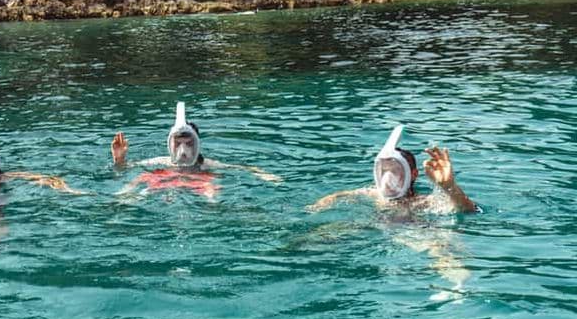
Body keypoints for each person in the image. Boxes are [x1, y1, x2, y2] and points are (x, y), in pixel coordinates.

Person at [111, 102, 282, 199]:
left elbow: (242, 168)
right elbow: (124, 169)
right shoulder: (163, 162)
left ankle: (212, 209)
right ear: (170, 144)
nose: (183, 149)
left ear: (198, 144)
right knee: (140, 181)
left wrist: (264, 174)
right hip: (167, 181)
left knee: (212, 193)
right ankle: (119, 202)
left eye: (189, 143)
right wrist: (119, 160)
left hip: (198, 181)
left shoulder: (207, 164)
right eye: (178, 143)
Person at [307, 125, 477, 213]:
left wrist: (449, 186)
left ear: (413, 175)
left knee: (439, 247)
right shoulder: (374, 194)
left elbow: (468, 210)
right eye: (384, 170)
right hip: (374, 227)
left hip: (414, 231)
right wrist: (323, 203)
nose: (388, 177)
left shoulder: (422, 202)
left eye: (396, 171)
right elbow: (341, 195)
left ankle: (455, 276)